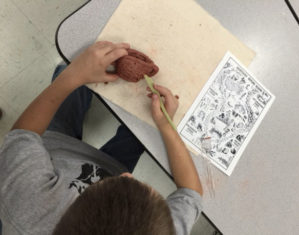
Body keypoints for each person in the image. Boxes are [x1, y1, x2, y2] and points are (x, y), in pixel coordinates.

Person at [0, 41, 203, 235]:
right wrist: (167, 127)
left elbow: (23, 135)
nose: (128, 176)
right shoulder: (156, 228)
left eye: (121, 184)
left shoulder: (28, 205)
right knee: (146, 128)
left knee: (69, 71)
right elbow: (191, 193)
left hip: (53, 147)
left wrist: (74, 75)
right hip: (110, 164)